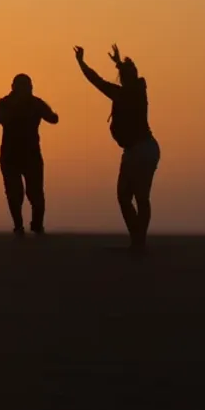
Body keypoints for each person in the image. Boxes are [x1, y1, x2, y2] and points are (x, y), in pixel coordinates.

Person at [76, 43, 159, 256]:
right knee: (138, 197)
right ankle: (139, 241)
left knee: (128, 196)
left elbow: (96, 80)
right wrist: (118, 63)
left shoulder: (125, 93)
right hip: (145, 149)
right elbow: (122, 76)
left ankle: (138, 242)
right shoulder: (140, 89)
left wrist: (81, 62)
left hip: (139, 150)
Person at [0, 74, 58, 236]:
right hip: (12, 156)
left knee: (32, 193)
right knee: (17, 193)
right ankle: (21, 226)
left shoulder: (33, 103)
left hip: (26, 156)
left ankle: (34, 225)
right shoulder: (9, 103)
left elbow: (53, 118)